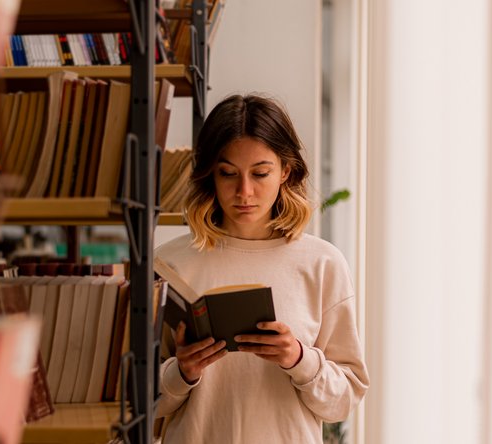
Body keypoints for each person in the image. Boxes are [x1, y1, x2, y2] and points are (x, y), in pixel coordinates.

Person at [155, 94, 369, 443]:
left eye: (260, 173)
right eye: (228, 174)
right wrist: (182, 372)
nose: (244, 191)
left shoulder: (322, 264)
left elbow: (344, 399)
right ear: (210, 173)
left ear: (286, 170)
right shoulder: (169, 264)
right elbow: (134, 400)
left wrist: (299, 359)